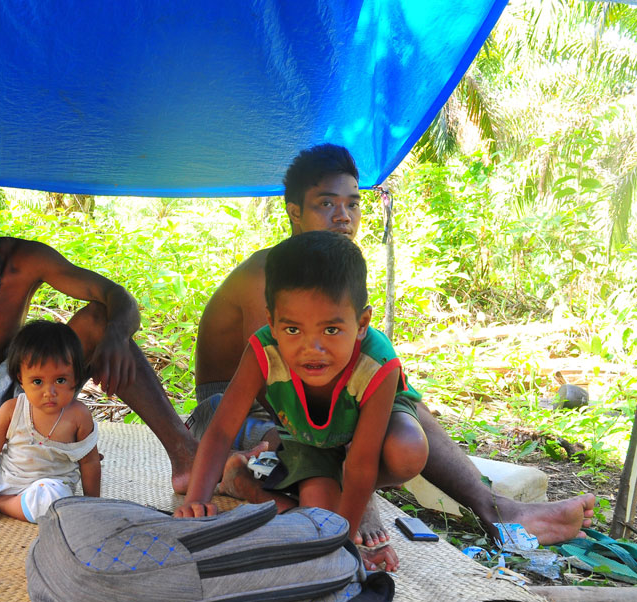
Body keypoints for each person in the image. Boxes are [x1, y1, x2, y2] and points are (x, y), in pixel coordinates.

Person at [188, 143, 595, 549]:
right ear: (295, 212)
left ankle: (493, 507)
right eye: (326, 204)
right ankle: (254, 483)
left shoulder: (337, 277)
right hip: (237, 406)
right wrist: (360, 503)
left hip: (304, 405)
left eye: (352, 204)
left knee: (399, 401)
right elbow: (282, 383)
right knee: (323, 465)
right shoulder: (271, 275)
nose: (343, 216)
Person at [0, 166, 198, 492]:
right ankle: (28, 448)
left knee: (98, 321)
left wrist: (117, 336)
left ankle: (184, 453)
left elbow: (118, 297)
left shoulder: (27, 259)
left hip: (23, 385)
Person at [177, 232, 428, 570]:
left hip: (365, 439)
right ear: (272, 323)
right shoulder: (263, 349)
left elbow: (362, 463)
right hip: (309, 436)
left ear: (362, 323)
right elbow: (222, 429)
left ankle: (264, 482)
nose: (313, 348)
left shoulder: (377, 364)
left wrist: (343, 547)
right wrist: (196, 502)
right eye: (293, 330)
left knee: (408, 449)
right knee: (316, 516)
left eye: (331, 330)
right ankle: (247, 484)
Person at [0, 321, 101, 522]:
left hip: (47, 484)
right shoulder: (11, 409)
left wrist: (94, 504)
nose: (49, 392)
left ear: (76, 377)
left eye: (60, 380)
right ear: (21, 379)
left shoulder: (78, 416)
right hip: (5, 475)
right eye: (37, 382)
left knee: (52, 505)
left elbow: (90, 461)